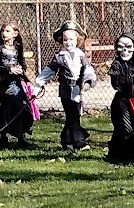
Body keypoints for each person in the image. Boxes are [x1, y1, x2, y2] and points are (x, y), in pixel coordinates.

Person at [34, 21, 97, 154]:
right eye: (65, 40)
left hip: (77, 91)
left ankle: (66, 141)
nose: (68, 42)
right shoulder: (59, 57)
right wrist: (39, 83)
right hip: (65, 91)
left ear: (77, 40)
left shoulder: (81, 55)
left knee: (74, 117)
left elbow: (88, 70)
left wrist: (88, 81)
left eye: (71, 39)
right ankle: (79, 142)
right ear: (61, 41)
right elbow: (48, 71)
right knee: (72, 115)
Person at [0, 21, 33, 149]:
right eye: (3, 31)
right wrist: (9, 69)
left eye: (7, 31)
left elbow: (23, 62)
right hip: (5, 83)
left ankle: (21, 136)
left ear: (15, 34)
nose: (4, 34)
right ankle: (3, 137)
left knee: (21, 107)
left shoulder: (18, 49)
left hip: (17, 83)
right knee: (6, 109)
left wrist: (21, 69)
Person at [106, 33, 134, 164]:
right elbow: (116, 83)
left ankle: (131, 156)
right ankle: (118, 155)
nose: (125, 51)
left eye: (128, 47)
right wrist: (131, 79)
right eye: (120, 47)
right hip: (121, 102)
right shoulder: (116, 64)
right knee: (124, 129)